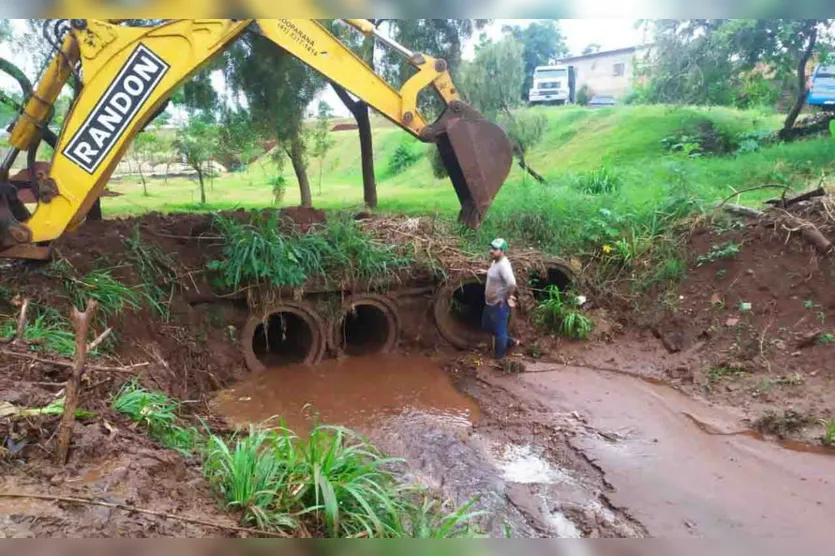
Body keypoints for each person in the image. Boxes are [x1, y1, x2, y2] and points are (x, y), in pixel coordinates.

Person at [482, 238, 518, 360]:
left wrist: (506, 297)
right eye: (491, 248)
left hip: (499, 304)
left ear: (502, 251)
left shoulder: (503, 265)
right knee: (486, 326)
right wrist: (486, 272)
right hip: (489, 303)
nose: (491, 251)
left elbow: (512, 283)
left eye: (495, 249)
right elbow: (495, 273)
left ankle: (500, 357)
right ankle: (511, 342)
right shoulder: (495, 261)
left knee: (499, 332)